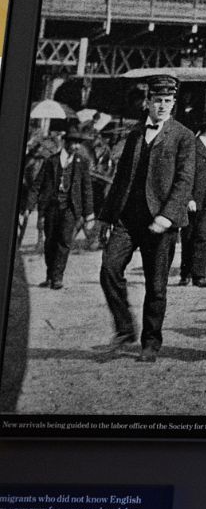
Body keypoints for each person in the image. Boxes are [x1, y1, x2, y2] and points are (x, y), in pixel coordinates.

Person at [98, 74, 195, 362]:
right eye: (158, 101)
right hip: (128, 219)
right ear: (147, 103)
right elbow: (121, 178)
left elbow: (184, 180)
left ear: (173, 103)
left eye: (168, 101)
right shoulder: (135, 134)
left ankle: (150, 342)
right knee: (109, 269)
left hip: (160, 222)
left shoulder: (183, 136)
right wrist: (106, 217)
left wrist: (167, 216)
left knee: (156, 286)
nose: (163, 106)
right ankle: (124, 327)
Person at [35, 128, 95, 290]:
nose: (76, 146)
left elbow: (87, 188)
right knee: (50, 242)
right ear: (65, 143)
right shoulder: (51, 161)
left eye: (78, 144)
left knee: (64, 242)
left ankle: (57, 278)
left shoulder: (82, 162)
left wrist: (89, 213)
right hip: (52, 207)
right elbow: (38, 185)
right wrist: (29, 206)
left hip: (71, 208)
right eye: (73, 143)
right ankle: (49, 275)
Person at [180, 111, 206, 287]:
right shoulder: (194, 146)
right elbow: (185, 173)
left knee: (204, 236)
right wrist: (188, 197)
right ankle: (186, 273)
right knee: (189, 236)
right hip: (193, 199)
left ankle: (199, 274)